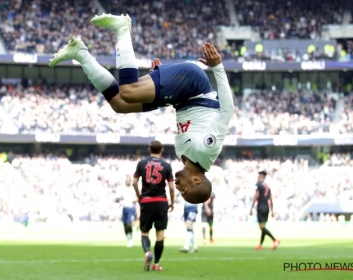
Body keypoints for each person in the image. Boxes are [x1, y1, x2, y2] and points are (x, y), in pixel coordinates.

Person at [49, 13, 235, 204]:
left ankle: (80, 53)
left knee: (120, 104)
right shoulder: (206, 151)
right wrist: (218, 67)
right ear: (197, 180)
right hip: (192, 85)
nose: (178, 188)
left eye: (179, 192)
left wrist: (162, 85)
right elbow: (227, 109)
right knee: (130, 91)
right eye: (184, 190)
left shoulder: (184, 157)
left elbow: (192, 116)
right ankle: (122, 28)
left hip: (180, 97)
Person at [132, 140, 175, 271]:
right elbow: (172, 187)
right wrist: (172, 202)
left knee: (144, 232)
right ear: (162, 150)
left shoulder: (142, 163)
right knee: (160, 234)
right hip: (161, 201)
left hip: (146, 201)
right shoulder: (167, 165)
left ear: (149, 149)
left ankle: (147, 253)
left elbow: (134, 182)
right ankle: (156, 264)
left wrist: (139, 196)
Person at [249, 170, 280, 250]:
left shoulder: (259, 185)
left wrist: (251, 207)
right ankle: (260, 245)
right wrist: (272, 211)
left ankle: (274, 239)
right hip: (266, 208)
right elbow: (271, 198)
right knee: (263, 227)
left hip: (261, 207)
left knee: (262, 227)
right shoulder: (267, 186)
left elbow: (256, 196)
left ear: (260, 176)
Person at [115, 175, 137, 248]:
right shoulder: (122, 189)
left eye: (129, 180)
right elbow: (117, 199)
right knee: (125, 224)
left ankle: (131, 239)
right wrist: (120, 198)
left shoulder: (133, 188)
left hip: (131, 208)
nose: (127, 181)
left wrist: (136, 200)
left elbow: (138, 197)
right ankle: (129, 238)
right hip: (124, 208)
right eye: (126, 180)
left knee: (128, 223)